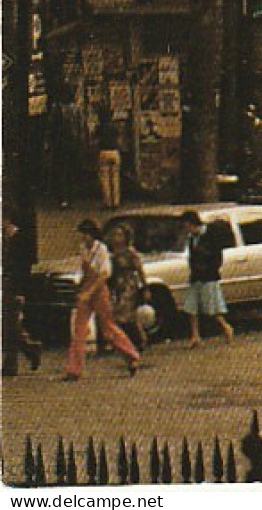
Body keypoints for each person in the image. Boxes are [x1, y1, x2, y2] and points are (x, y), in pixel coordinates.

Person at [62, 219, 140, 381]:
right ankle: (74, 369)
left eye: (86, 234)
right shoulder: (83, 249)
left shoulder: (101, 249)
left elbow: (104, 274)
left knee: (108, 328)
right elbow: (85, 270)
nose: (84, 238)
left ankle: (131, 356)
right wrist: (81, 287)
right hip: (87, 289)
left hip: (99, 290)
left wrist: (89, 292)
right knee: (79, 330)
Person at [180, 210, 233, 347]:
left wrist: (209, 268)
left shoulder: (210, 235)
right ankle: (195, 335)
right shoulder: (192, 238)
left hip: (208, 276)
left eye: (187, 225)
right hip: (196, 276)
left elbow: (217, 256)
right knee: (191, 306)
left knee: (211, 307)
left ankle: (226, 327)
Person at [2, 214, 42, 376]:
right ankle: (30, 349)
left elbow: (22, 269)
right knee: (9, 325)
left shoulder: (20, 240)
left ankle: (12, 363)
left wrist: (20, 291)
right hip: (5, 285)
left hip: (13, 287)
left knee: (10, 324)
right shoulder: (5, 239)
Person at [106, 223, 150, 351]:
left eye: (120, 235)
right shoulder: (113, 253)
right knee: (118, 313)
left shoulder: (130, 252)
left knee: (126, 313)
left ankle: (139, 339)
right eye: (115, 235)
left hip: (129, 284)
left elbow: (139, 270)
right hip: (117, 285)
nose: (116, 238)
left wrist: (145, 287)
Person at [93, 105, 124, 211]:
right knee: (115, 178)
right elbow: (120, 139)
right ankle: (116, 202)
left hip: (104, 152)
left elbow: (95, 139)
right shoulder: (115, 127)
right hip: (115, 152)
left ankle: (107, 202)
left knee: (105, 179)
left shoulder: (100, 127)